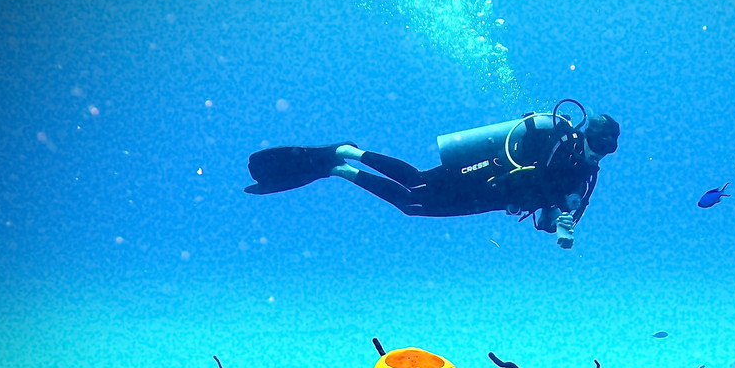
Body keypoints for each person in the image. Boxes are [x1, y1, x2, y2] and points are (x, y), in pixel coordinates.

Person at [244, 102, 619, 249]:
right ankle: (347, 152)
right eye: (595, 144)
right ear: (586, 134)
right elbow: (539, 176)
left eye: (604, 150)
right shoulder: (562, 141)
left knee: (412, 206)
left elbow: (544, 223)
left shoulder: (586, 179)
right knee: (415, 183)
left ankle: (340, 168)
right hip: (487, 172)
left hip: (492, 200)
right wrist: (556, 210)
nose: (596, 153)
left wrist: (561, 227)